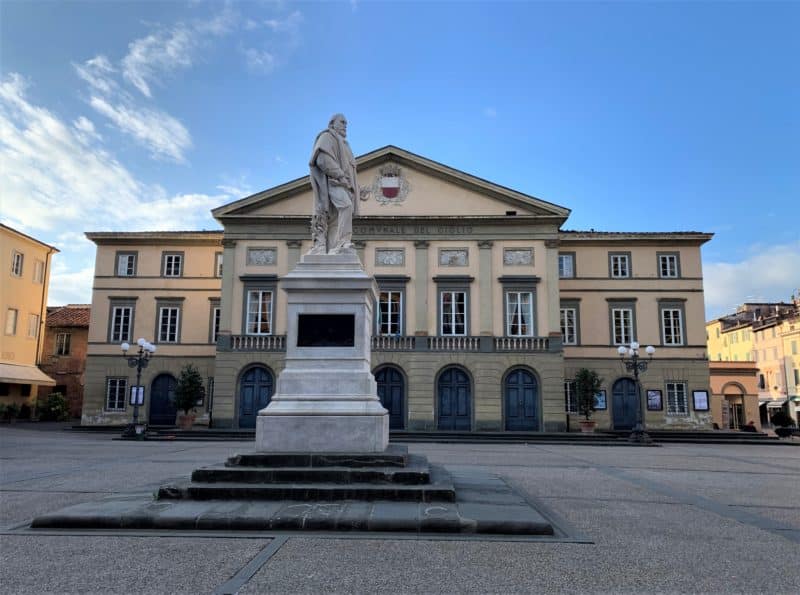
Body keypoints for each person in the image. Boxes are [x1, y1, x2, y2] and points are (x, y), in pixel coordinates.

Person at [308, 113, 359, 254]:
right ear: (332, 124)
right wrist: (340, 175)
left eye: (346, 123)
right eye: (342, 122)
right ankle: (343, 242)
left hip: (342, 184)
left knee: (334, 221)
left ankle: (331, 249)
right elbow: (323, 160)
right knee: (346, 206)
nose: (345, 125)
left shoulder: (345, 145)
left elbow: (350, 171)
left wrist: (358, 189)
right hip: (332, 182)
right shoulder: (327, 137)